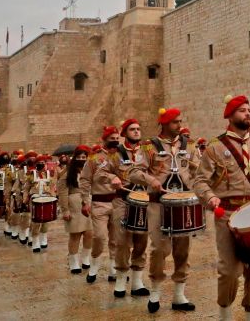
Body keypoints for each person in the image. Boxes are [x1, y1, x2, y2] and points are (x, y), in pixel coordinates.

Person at [194, 95, 250, 321]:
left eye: (249, 110)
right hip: (227, 213)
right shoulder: (215, 148)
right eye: (242, 110)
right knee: (229, 269)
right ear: (230, 115)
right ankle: (225, 312)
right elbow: (200, 181)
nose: (248, 114)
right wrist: (210, 198)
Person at [128, 106, 200, 313]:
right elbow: (134, 172)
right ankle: (156, 291)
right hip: (158, 203)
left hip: (183, 203)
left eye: (180, 121)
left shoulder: (190, 144)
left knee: (182, 250)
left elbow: (198, 168)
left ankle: (179, 296)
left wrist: (197, 171)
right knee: (160, 249)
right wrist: (151, 179)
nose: (180, 124)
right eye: (176, 122)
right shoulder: (149, 147)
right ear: (165, 124)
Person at [107, 118, 151, 299]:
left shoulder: (148, 151)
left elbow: (158, 168)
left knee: (142, 240)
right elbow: (102, 170)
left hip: (144, 201)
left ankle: (137, 281)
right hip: (122, 201)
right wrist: (112, 177)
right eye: (132, 129)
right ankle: (120, 278)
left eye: (139, 129)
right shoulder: (115, 153)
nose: (136, 132)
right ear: (125, 133)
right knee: (123, 241)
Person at [79, 126, 121, 284]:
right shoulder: (93, 158)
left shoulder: (121, 156)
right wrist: (85, 201)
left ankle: (113, 269)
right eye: (113, 138)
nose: (116, 141)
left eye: (118, 138)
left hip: (117, 202)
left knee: (116, 239)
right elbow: (84, 180)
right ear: (105, 139)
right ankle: (94, 265)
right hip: (99, 203)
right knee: (99, 236)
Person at [58, 145, 93, 274]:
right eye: (79, 157)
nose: (82, 159)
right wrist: (65, 210)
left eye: (84, 157)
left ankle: (85, 258)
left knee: (89, 234)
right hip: (74, 205)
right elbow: (62, 192)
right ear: (74, 158)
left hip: (88, 204)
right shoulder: (67, 173)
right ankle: (73, 261)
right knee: (75, 235)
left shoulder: (90, 170)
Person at [24, 154, 56, 252]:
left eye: (43, 162)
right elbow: (26, 188)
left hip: (46, 198)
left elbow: (51, 186)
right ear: (36, 163)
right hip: (35, 198)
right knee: (36, 221)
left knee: (46, 220)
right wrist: (25, 198)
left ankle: (43, 237)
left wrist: (53, 196)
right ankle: (35, 240)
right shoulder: (31, 174)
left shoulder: (48, 174)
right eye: (39, 162)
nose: (41, 164)